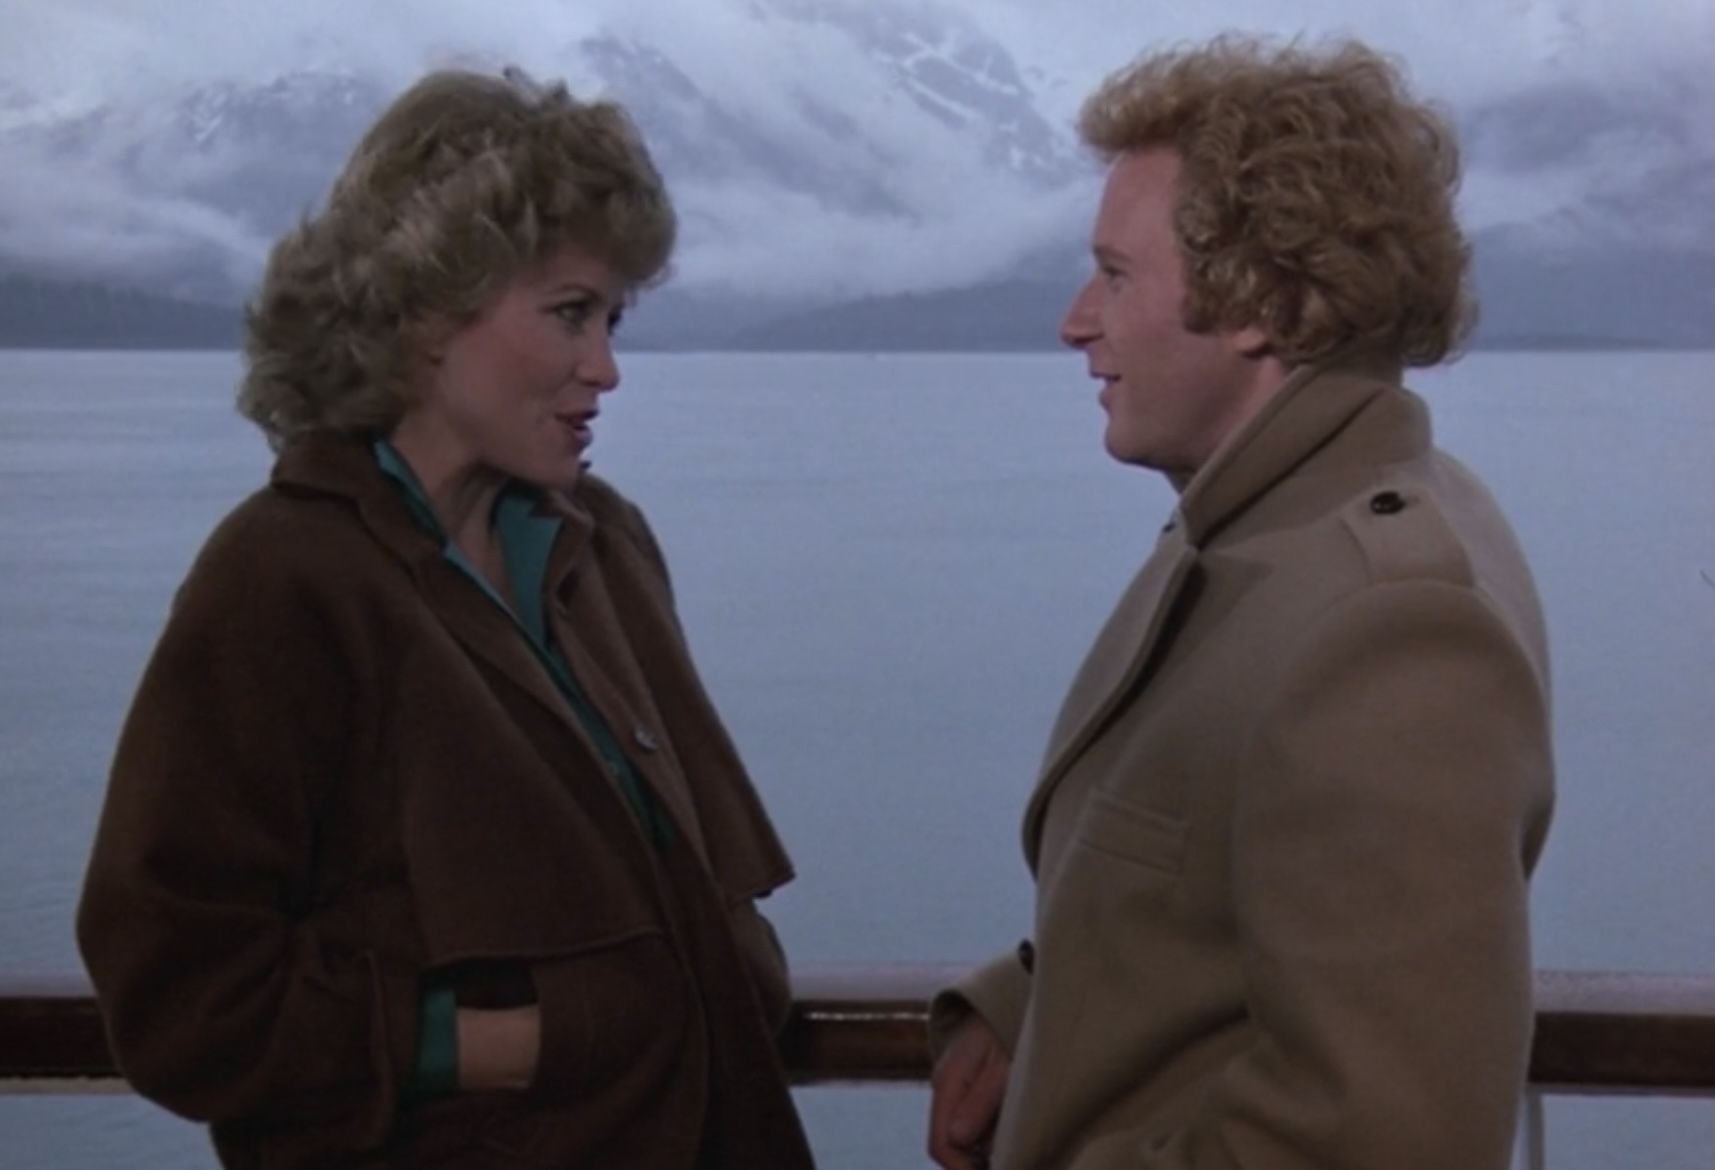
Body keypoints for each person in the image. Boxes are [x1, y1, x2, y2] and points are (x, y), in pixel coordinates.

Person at [77, 66, 814, 1170]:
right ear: (426, 309)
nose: (605, 367)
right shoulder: (282, 577)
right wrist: (507, 1045)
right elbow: (185, 1000)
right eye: (569, 314)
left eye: (613, 317)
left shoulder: (602, 544)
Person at [927, 35, 1555, 1170]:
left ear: (1256, 302)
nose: (1075, 321)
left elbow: (1379, 1139)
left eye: (1114, 276)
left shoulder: (1387, 629)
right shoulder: (1272, 525)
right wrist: (1034, 1006)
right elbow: (1223, 895)